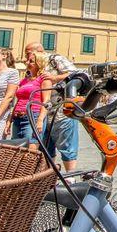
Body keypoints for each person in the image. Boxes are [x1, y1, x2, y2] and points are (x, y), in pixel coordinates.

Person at [24, 42, 79, 171]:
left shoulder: (55, 60)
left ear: (38, 51)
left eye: (28, 53)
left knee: (67, 146)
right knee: (46, 148)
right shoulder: (34, 67)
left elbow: (76, 74)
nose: (26, 58)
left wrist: (55, 78)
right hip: (42, 114)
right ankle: (49, 180)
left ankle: (70, 178)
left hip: (61, 111)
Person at [8, 51, 52, 150]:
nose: (27, 62)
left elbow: (46, 101)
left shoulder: (44, 79)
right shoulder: (24, 80)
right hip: (18, 117)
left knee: (30, 150)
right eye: (28, 60)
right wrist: (10, 120)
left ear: (39, 63)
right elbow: (18, 100)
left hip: (33, 117)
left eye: (31, 61)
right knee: (15, 150)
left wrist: (40, 120)